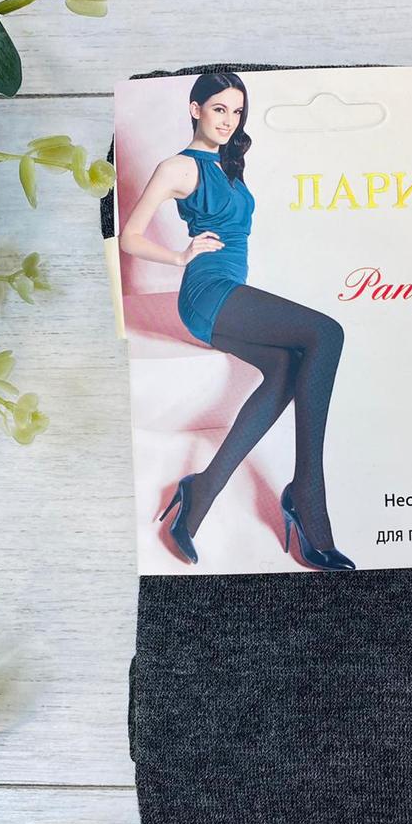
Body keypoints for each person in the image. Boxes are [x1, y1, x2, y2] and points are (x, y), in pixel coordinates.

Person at [119, 71, 355, 572]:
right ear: (195, 109)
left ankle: (201, 491)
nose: (229, 120)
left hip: (229, 291)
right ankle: (308, 495)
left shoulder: (229, 162)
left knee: (287, 368)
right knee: (327, 333)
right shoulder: (177, 167)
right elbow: (129, 237)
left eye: (237, 112)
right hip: (207, 293)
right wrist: (179, 256)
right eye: (219, 109)